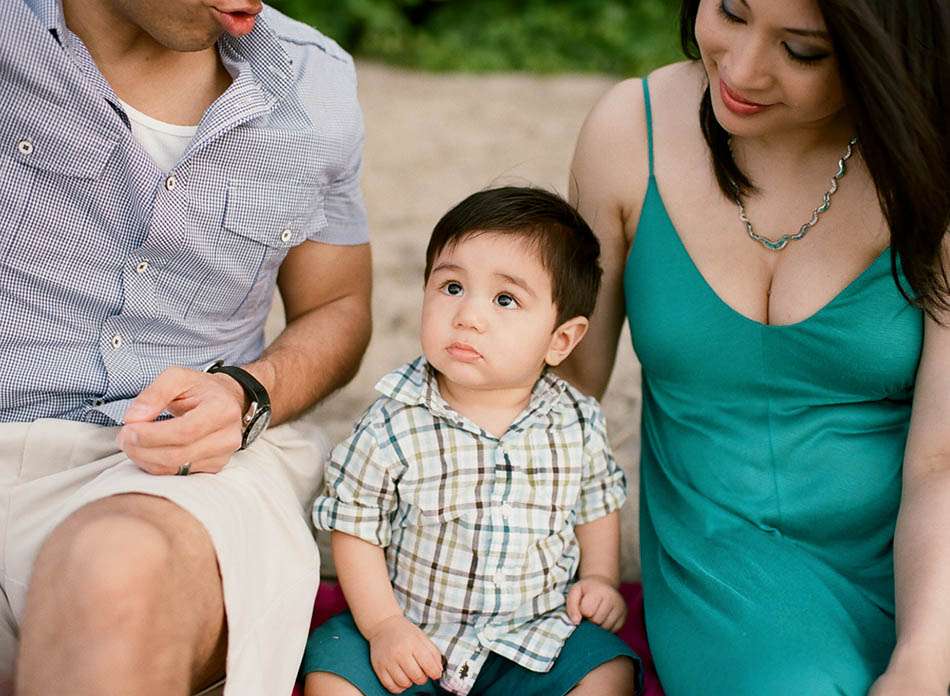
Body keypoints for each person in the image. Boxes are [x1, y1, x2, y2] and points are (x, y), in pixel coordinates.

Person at [562, 0, 950, 693]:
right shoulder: (628, 132)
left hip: (928, 560)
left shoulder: (933, 166)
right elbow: (566, 394)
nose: (740, 68)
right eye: (732, 11)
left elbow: (940, 461)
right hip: (729, 570)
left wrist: (924, 657)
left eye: (801, 50)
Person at [1, 0, 372, 694]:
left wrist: (248, 392)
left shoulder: (315, 81)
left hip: (177, 479)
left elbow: (339, 307)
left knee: (115, 572)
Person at [301, 187, 640, 696]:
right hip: (413, 635)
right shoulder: (392, 422)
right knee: (329, 669)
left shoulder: (575, 420)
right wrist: (383, 627)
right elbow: (356, 527)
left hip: (534, 635)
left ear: (560, 340)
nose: (468, 316)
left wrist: (599, 578)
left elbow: (597, 501)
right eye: (452, 287)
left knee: (607, 672)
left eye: (505, 299)